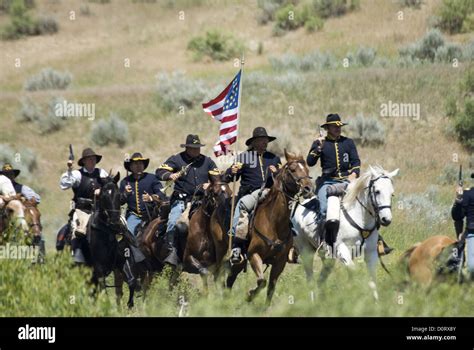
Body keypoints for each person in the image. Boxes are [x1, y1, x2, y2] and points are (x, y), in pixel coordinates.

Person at [307, 113, 392, 254]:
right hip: (327, 182)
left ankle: (378, 241)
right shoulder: (320, 143)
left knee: (369, 203)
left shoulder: (348, 142)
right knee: (324, 208)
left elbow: (356, 162)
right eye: (334, 126)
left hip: (348, 180)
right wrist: (319, 148)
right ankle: (324, 242)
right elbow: (310, 162)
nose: (338, 129)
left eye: (339, 126)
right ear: (327, 128)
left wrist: (353, 174)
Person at [156, 134, 220, 266]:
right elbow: (159, 171)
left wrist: (212, 184)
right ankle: (172, 251)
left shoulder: (207, 161)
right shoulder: (176, 159)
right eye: (193, 148)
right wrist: (170, 175)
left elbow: (217, 178)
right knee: (174, 221)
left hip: (202, 202)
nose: (196, 150)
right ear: (187, 148)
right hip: (182, 201)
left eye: (198, 148)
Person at [224, 127, 281, 263]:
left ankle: (292, 244)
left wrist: (276, 173)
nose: (264, 143)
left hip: (270, 194)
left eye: (265, 140)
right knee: (242, 204)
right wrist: (232, 171)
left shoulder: (273, 158)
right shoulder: (243, 157)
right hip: (251, 193)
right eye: (261, 140)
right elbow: (230, 178)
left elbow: (281, 178)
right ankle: (236, 243)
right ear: (254, 142)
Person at [59, 147, 108, 264]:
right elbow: (64, 184)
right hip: (82, 210)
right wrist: (69, 169)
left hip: (99, 210)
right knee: (79, 230)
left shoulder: (102, 173)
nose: (92, 161)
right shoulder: (77, 174)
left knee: (117, 225)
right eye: (89, 159)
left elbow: (110, 187)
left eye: (94, 159)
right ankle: (77, 255)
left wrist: (102, 191)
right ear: (84, 161)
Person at [120, 152, 166, 236]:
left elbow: (162, 193)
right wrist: (125, 193)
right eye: (136, 164)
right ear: (131, 166)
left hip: (152, 215)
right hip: (133, 216)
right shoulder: (125, 182)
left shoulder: (152, 178)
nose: (139, 166)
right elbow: (119, 201)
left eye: (141, 163)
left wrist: (151, 198)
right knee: (129, 235)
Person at [451, 172, 474, 281]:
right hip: (472, 233)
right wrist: (459, 199)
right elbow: (457, 216)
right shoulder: (468, 195)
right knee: (472, 267)